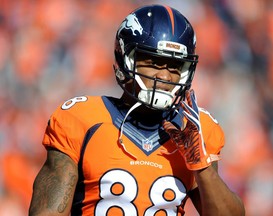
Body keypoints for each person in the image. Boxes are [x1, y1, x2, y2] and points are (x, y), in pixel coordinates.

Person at [29, 4, 245, 216]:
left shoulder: (194, 128)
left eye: (174, 66)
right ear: (126, 60)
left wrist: (201, 165)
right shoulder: (82, 119)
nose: (164, 76)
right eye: (154, 62)